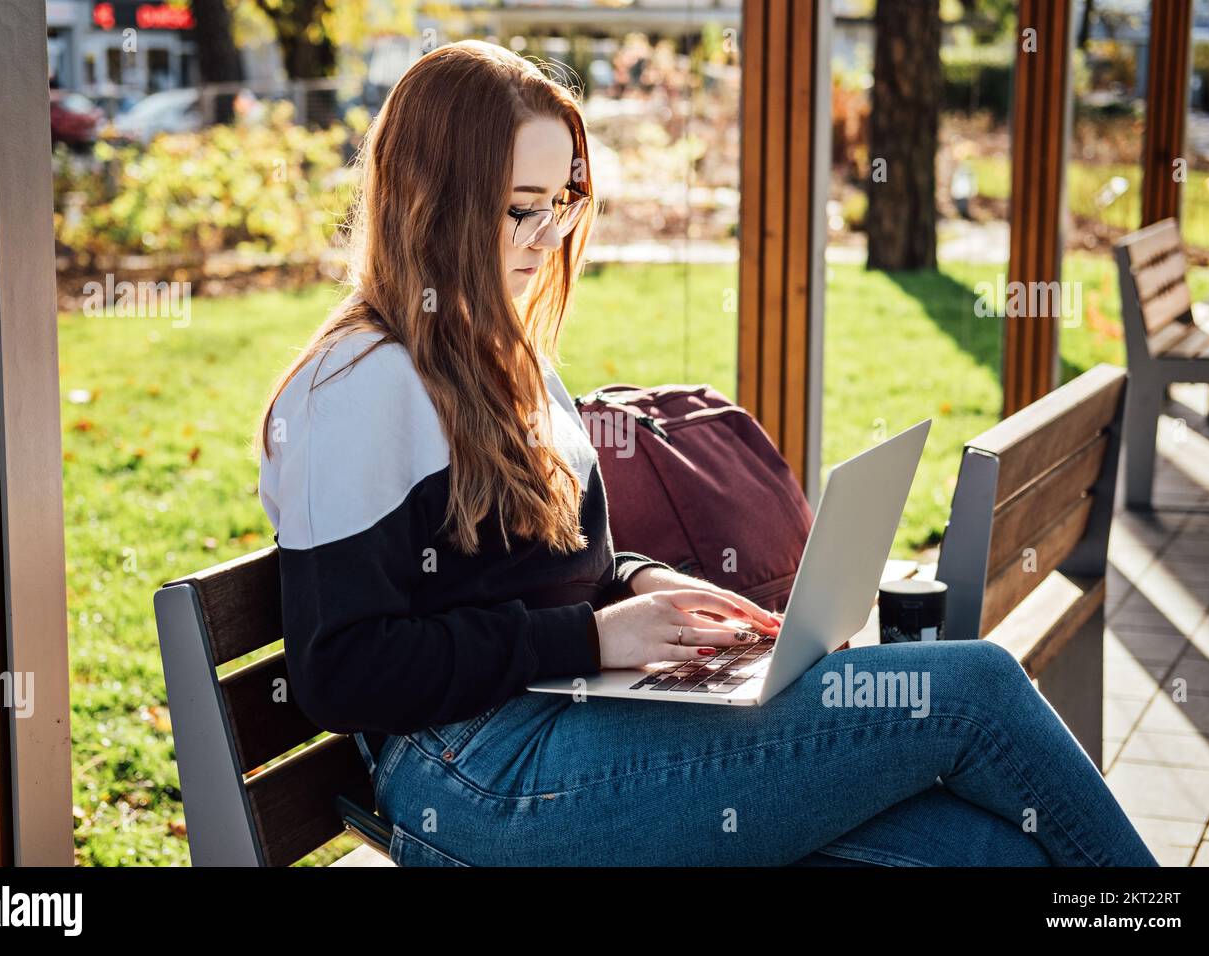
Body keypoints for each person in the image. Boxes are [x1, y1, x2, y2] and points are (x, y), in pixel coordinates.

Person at [254, 40, 1158, 868]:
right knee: (974, 694)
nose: (546, 239)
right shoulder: (357, 388)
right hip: (476, 777)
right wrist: (592, 635)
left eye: (561, 205)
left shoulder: (504, 354)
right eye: (518, 210)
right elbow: (341, 672)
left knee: (988, 854)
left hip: (570, 718)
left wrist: (642, 586)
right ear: (431, 202)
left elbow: (544, 566)